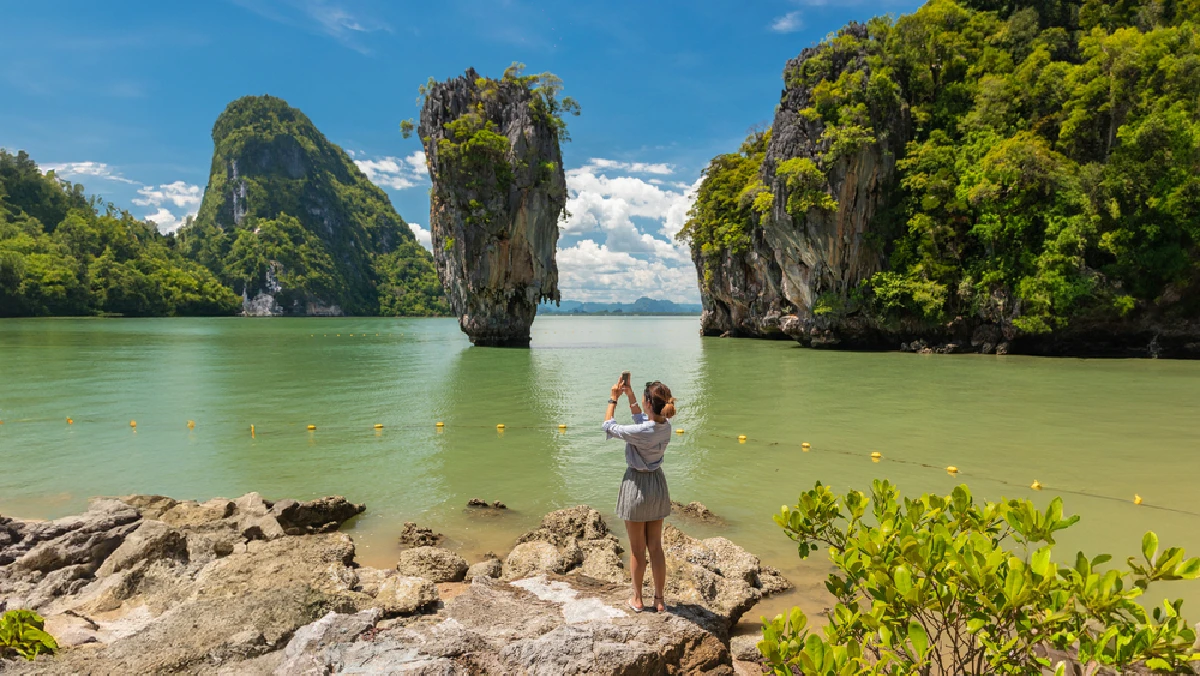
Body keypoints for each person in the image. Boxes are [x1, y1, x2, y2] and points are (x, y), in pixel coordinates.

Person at [602, 374, 677, 613]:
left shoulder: (641, 431)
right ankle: (659, 600)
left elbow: (608, 426)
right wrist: (631, 394)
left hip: (636, 486)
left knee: (637, 549)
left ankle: (637, 599)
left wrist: (613, 400)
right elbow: (641, 419)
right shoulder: (666, 427)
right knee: (655, 546)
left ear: (648, 404)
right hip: (657, 485)